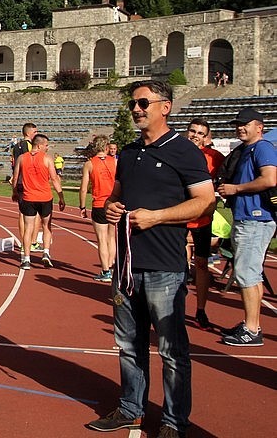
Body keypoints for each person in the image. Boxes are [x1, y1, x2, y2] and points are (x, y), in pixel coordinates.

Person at [88, 80, 214, 438]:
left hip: (165, 267)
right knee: (129, 345)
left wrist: (157, 217)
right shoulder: (128, 152)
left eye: (143, 103)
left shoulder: (185, 151)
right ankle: (131, 409)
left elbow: (205, 202)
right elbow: (116, 195)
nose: (136, 109)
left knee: (172, 351)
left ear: (165, 106)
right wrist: (112, 207)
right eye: (133, 104)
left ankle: (174, 422)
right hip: (127, 266)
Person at [216, 107, 276, 347]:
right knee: (251, 273)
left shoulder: (262, 148)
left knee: (245, 273)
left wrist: (236, 189)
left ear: (259, 127)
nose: (240, 127)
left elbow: (269, 179)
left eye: (245, 124)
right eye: (237, 124)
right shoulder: (247, 150)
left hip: (255, 218)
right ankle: (252, 325)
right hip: (249, 217)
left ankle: (251, 329)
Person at [184, 118, 225, 330]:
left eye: (200, 133)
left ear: (206, 137)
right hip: (177, 218)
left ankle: (200, 311)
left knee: (201, 264)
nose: (196, 136)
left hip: (202, 220)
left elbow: (231, 173)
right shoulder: (177, 152)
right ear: (187, 132)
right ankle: (173, 308)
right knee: (177, 266)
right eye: (193, 131)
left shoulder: (214, 157)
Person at [11, 133, 65, 269]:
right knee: (47, 226)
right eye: (46, 145)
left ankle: (26, 259)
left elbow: (15, 177)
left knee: (28, 228)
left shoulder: (22, 158)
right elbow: (54, 179)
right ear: (39, 145)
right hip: (45, 197)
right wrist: (61, 197)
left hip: (28, 197)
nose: (47, 148)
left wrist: (15, 192)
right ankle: (46, 252)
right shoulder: (47, 159)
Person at [79, 135, 118, 282]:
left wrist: (82, 206)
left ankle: (106, 271)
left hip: (99, 204)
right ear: (107, 147)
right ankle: (112, 267)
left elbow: (84, 188)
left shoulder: (89, 164)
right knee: (111, 237)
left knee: (102, 240)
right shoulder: (115, 162)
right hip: (113, 203)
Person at [10, 122, 38, 250]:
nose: (36, 134)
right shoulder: (29, 145)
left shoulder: (16, 146)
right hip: (30, 182)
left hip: (20, 181)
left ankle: (23, 242)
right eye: (35, 132)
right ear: (28, 133)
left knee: (22, 213)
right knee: (34, 213)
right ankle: (32, 242)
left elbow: (14, 163)